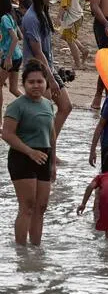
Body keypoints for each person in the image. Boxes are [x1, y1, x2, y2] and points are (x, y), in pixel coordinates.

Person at [3, 60, 57, 246]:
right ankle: (21, 252)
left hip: (44, 157)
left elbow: (51, 135)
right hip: (21, 157)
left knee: (41, 208)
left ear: (46, 83)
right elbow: (7, 134)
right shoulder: (17, 106)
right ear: (24, 84)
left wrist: (53, 163)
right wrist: (30, 152)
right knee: (27, 206)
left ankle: (36, 251)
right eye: (31, 82)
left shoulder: (48, 105)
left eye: (40, 81)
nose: (36, 85)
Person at [22, 0, 71, 136]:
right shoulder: (31, 18)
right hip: (37, 71)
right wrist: (50, 78)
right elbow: (37, 52)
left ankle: (49, 147)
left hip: (49, 66)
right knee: (45, 114)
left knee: (66, 106)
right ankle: (43, 150)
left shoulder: (43, 11)